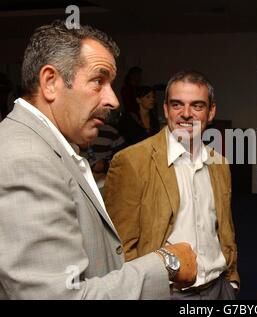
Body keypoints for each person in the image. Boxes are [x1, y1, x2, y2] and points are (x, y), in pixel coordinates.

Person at [0, 20, 196, 299]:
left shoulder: (51, 146)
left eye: (111, 84)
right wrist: (166, 263)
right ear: (50, 82)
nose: (113, 100)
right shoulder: (26, 159)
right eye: (98, 81)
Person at [103, 70, 239, 300]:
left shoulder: (220, 164)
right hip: (167, 293)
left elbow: (224, 228)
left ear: (211, 112)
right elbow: (119, 248)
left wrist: (232, 281)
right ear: (165, 109)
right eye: (177, 105)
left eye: (197, 106)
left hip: (220, 289)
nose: (186, 114)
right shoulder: (132, 162)